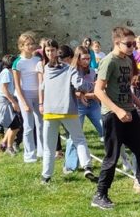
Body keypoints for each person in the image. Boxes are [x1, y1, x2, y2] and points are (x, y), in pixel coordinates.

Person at [91, 27, 140, 210]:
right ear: (117, 43)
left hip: (130, 112)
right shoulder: (109, 61)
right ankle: (100, 195)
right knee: (112, 156)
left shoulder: (127, 60)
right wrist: (117, 111)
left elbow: (125, 88)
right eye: (129, 44)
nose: (132, 46)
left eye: (134, 43)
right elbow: (98, 91)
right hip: (113, 115)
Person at [38, 42, 97, 184]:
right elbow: (80, 84)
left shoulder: (47, 69)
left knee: (49, 146)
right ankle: (87, 167)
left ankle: (46, 176)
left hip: (51, 111)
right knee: (79, 139)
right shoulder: (68, 69)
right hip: (66, 110)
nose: (50, 53)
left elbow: (43, 87)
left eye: (51, 50)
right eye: (48, 50)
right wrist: (93, 86)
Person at [64, 45, 104, 173]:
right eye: (84, 59)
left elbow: (96, 88)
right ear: (78, 59)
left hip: (93, 105)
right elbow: (72, 90)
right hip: (78, 106)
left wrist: (88, 93)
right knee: (74, 136)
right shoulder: (71, 71)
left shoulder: (92, 71)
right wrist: (85, 93)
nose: (87, 61)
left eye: (88, 58)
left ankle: (113, 157)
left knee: (104, 128)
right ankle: (70, 166)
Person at [11, 31, 44, 163]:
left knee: (41, 124)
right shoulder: (18, 62)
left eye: (32, 44)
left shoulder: (37, 60)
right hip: (26, 95)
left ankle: (42, 151)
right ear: (21, 46)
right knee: (29, 126)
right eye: (27, 44)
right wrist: (23, 103)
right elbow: (17, 85)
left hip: (38, 94)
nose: (31, 46)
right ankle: (29, 155)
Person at [0, 53, 21, 155]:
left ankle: (2, 146)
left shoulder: (8, 72)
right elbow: (4, 89)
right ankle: (9, 147)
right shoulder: (6, 73)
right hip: (4, 101)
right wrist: (14, 102)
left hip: (7, 100)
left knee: (13, 124)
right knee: (15, 126)